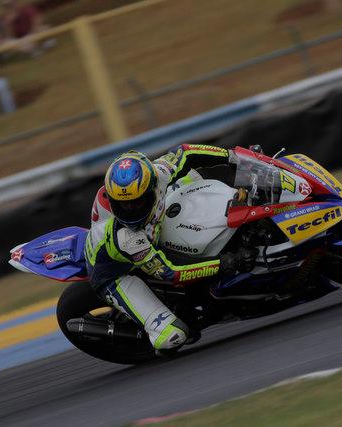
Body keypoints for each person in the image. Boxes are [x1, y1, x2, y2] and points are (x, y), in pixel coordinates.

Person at [86, 144, 255, 354]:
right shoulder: (127, 238)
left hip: (154, 229)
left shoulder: (159, 174)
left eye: (138, 202)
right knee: (173, 337)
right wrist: (227, 262)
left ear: (152, 188)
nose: (130, 209)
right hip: (115, 274)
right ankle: (153, 332)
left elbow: (187, 153)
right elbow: (170, 271)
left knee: (193, 176)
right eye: (123, 204)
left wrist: (234, 157)